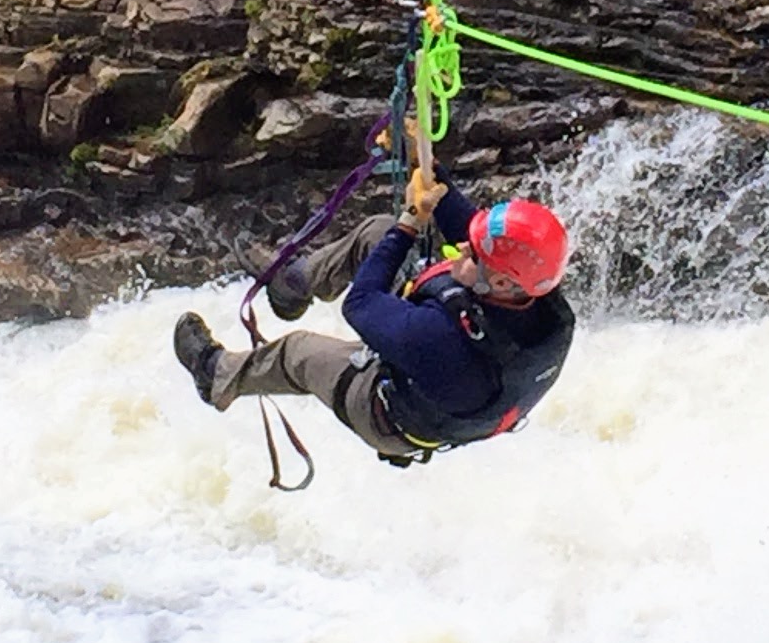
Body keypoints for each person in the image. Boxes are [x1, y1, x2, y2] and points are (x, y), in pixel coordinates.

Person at [173, 184, 576, 465]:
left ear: (502, 282)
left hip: (387, 415)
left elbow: (361, 305)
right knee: (377, 232)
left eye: (474, 255)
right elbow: (465, 223)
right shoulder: (537, 296)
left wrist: (408, 226)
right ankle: (292, 285)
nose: (465, 248)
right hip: (451, 371)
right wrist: (427, 163)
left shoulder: (437, 339)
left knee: (297, 352)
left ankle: (216, 376)